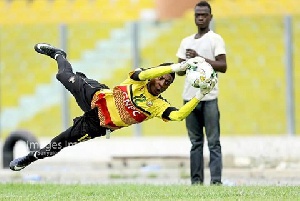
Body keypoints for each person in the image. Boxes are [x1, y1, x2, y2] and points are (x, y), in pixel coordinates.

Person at [10, 43, 216, 171]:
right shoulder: (139, 80)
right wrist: (177, 67)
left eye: (167, 83)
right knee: (62, 75)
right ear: (156, 75)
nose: (162, 83)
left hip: (97, 124)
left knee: (59, 143)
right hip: (97, 96)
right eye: (161, 78)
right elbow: (143, 74)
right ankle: (58, 55)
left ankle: (30, 157)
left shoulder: (157, 105)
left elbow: (179, 115)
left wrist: (200, 94)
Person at [176, 1, 227, 185]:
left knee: (213, 142)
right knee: (195, 143)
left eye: (204, 15)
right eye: (198, 15)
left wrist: (201, 58)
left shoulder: (215, 39)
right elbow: (180, 71)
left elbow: (223, 66)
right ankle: (196, 183)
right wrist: (187, 62)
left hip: (209, 97)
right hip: (189, 98)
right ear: (194, 17)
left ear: (210, 17)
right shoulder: (186, 42)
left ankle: (216, 182)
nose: (201, 18)